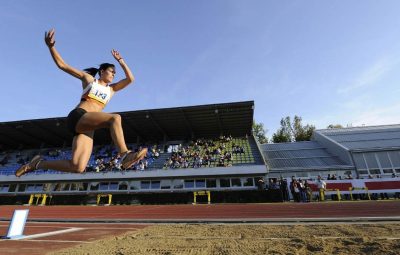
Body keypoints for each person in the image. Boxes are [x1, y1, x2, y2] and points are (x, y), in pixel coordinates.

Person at [15, 28, 147, 177]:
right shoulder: (90, 80)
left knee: (77, 166)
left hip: (88, 126)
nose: (113, 74)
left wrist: (121, 61)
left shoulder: (112, 90)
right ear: (102, 71)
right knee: (115, 118)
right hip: (78, 116)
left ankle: (36, 164)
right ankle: (125, 155)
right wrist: (51, 47)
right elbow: (63, 65)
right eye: (111, 71)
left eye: (115, 73)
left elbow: (131, 79)